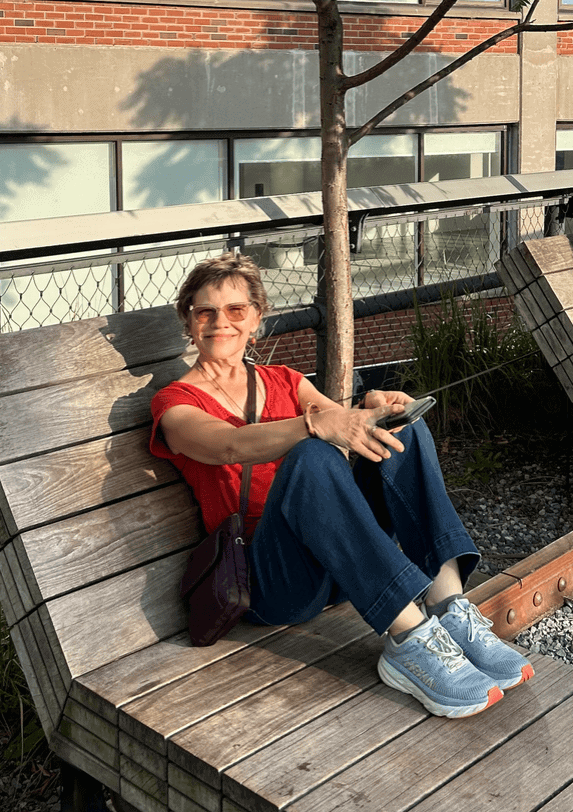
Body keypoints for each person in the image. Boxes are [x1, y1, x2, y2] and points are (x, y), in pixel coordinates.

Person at [150, 252, 534, 719]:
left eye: (235, 310)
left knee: (402, 431)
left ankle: (451, 608)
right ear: (187, 321)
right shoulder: (175, 402)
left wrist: (376, 408)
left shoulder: (284, 380)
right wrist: (317, 425)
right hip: (271, 580)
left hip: (338, 562)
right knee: (311, 453)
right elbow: (229, 445)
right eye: (204, 311)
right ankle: (410, 641)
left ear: (256, 318)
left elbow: (344, 422)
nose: (220, 322)